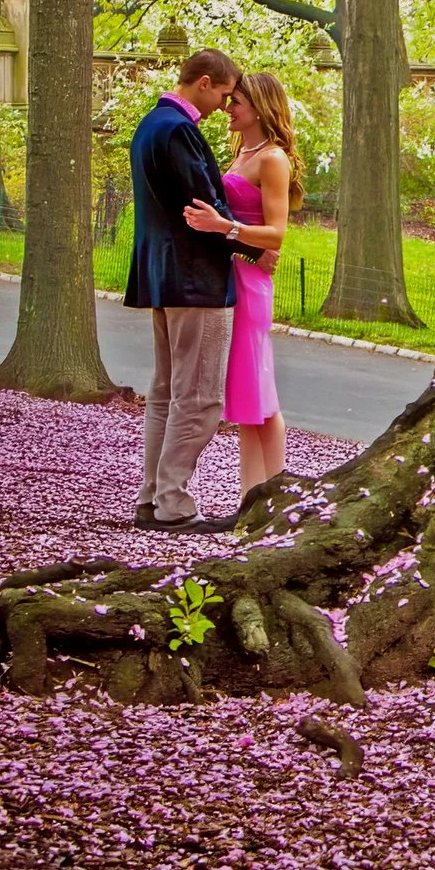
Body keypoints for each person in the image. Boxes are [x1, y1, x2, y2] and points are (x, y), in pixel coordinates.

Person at [126, 49, 255, 531]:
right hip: (195, 280)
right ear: (204, 82)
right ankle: (173, 504)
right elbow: (204, 206)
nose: (225, 105)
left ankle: (152, 499)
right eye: (224, 93)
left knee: (166, 394)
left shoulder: (149, 125)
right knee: (199, 398)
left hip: (162, 277)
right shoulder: (179, 130)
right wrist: (246, 240)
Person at [184, 70, 300, 501]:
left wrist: (223, 228)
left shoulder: (272, 159)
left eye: (236, 102)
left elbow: (276, 235)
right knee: (248, 402)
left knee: (259, 390)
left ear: (260, 107)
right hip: (232, 274)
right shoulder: (242, 152)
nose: (228, 108)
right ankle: (252, 498)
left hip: (251, 283)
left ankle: (276, 492)